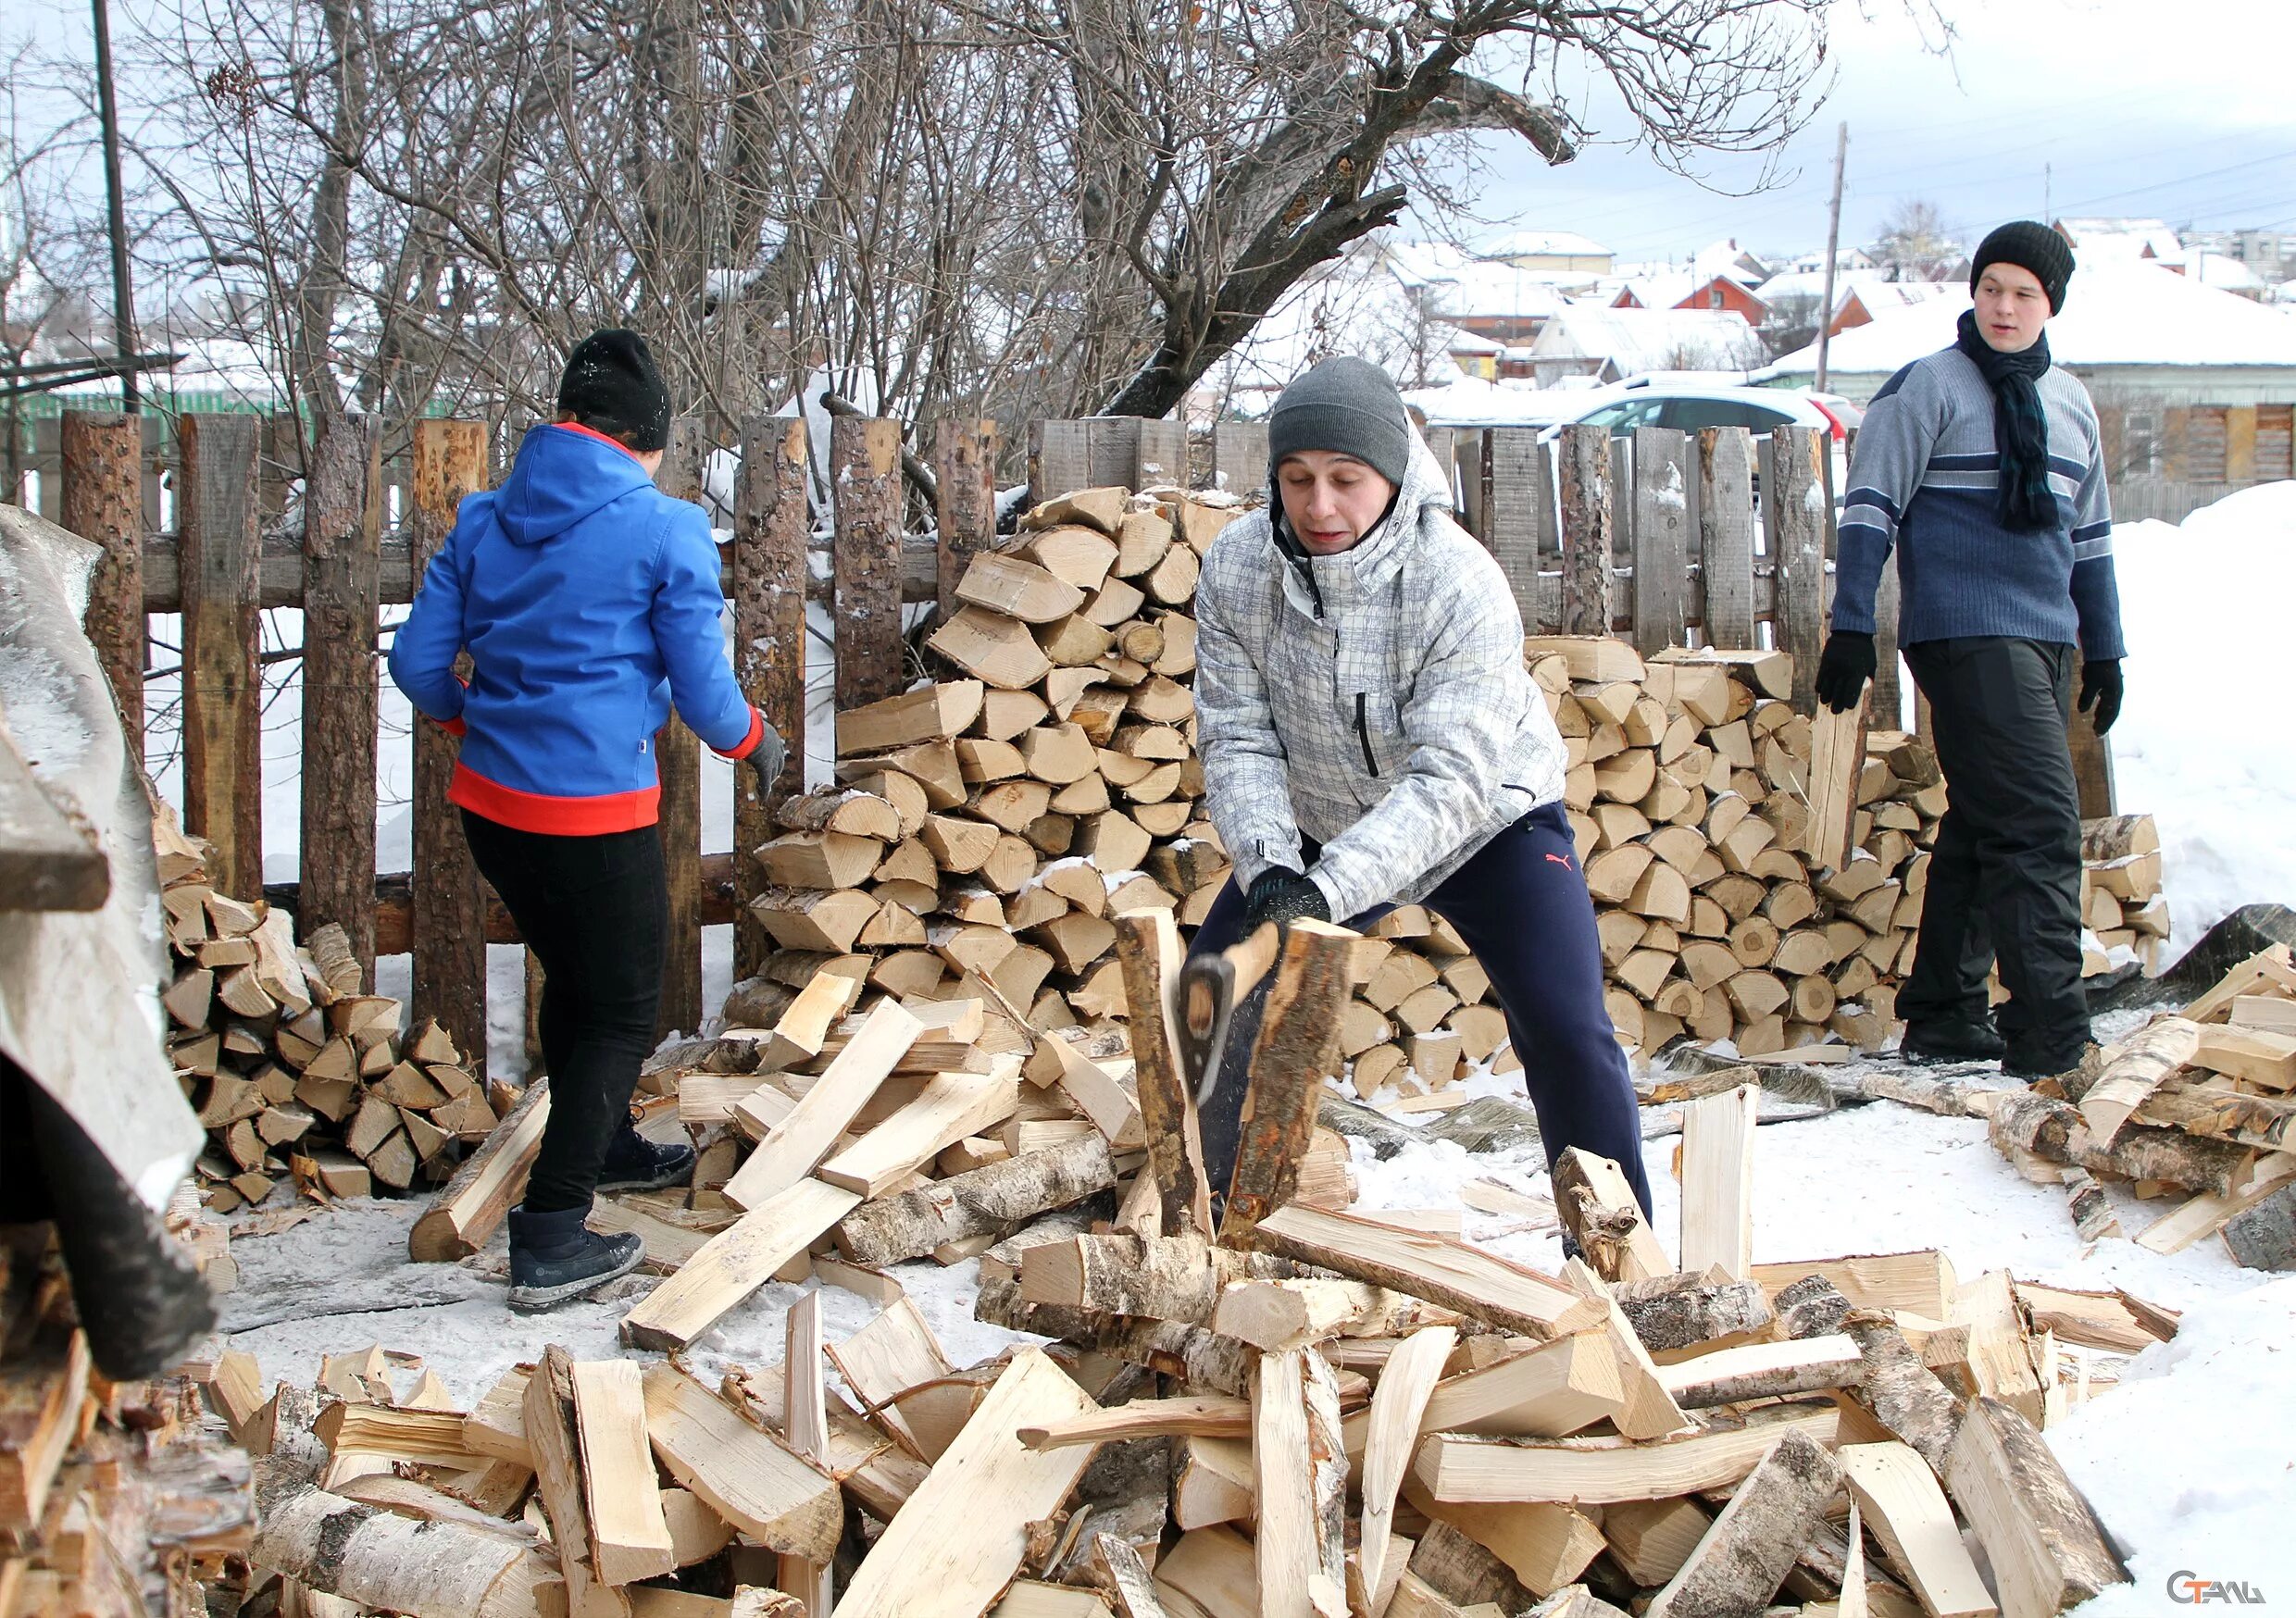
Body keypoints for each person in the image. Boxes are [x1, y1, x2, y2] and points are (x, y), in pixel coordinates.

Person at [1190, 355, 1653, 1217]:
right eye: (1296, 480)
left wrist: (1324, 892)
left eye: (1344, 480)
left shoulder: (1459, 582)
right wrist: (1271, 872)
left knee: (1566, 1029)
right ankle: (1210, 1225)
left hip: (1484, 824)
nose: (1319, 506)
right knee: (1212, 996)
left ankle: (1619, 1259)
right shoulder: (1237, 570)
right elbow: (1238, 735)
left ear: (1393, 477)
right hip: (1317, 824)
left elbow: (1451, 781)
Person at [389, 330, 784, 1311]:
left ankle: (599, 1139)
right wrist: (752, 739)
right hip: (593, 817)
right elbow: (700, 686)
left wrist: (466, 720)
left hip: (494, 809)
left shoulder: (483, 518)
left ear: (565, 423)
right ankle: (554, 1233)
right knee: (616, 1008)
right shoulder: (665, 527)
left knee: (575, 976)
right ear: (645, 439)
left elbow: (415, 664)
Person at [1816, 221, 2124, 1081]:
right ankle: (2053, 1038)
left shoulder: (2070, 402)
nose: (2004, 305)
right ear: (1974, 293)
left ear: (2050, 303)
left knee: (1987, 822)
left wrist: (2107, 651)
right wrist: (1851, 628)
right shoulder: (1927, 388)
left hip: (2046, 636)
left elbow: (2091, 539)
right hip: (1963, 631)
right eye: (1991, 287)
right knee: (2039, 827)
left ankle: (1946, 1014)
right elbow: (1870, 508)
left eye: (2024, 292)